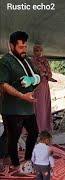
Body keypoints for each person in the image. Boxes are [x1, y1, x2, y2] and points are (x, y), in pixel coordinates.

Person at [0, 31, 40, 172]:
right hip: (12, 108)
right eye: (20, 47)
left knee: (34, 132)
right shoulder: (5, 61)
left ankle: (28, 159)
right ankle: (16, 165)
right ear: (11, 46)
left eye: (25, 47)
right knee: (13, 137)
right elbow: (3, 84)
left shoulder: (27, 60)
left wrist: (32, 79)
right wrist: (22, 96)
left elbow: (38, 76)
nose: (24, 50)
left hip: (28, 107)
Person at [31, 45, 57, 132]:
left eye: (39, 50)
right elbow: (31, 73)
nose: (38, 52)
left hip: (44, 86)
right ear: (33, 51)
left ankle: (44, 127)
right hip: (36, 86)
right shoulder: (31, 61)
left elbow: (49, 73)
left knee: (44, 105)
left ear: (42, 51)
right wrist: (42, 73)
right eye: (36, 50)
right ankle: (35, 127)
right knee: (37, 105)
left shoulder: (45, 60)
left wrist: (46, 74)